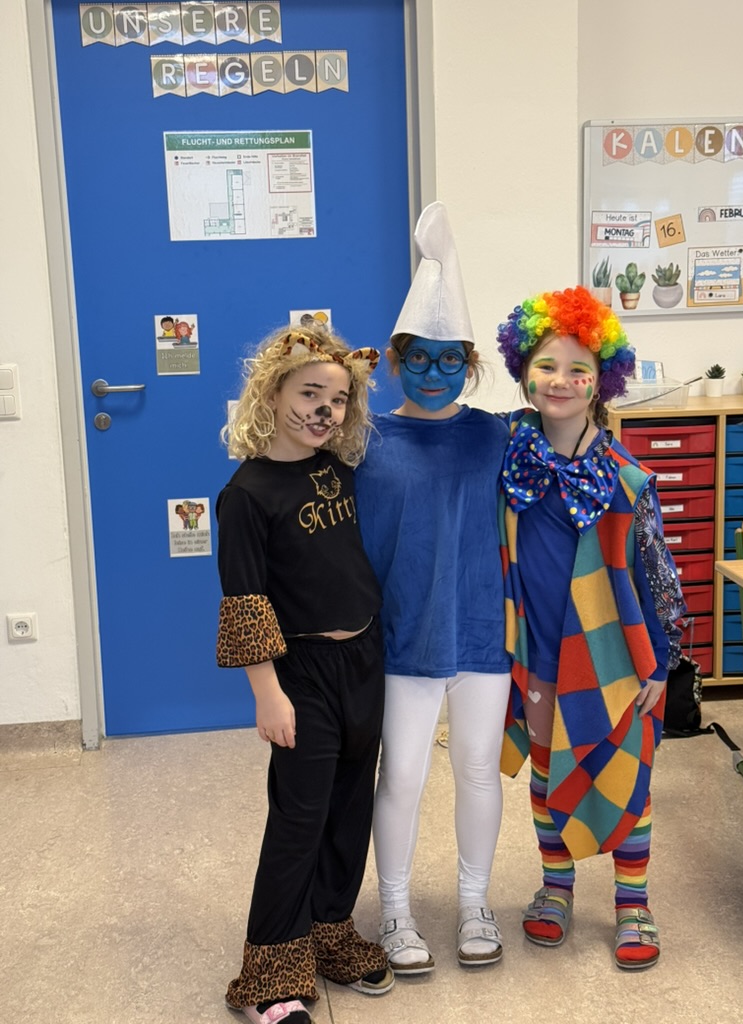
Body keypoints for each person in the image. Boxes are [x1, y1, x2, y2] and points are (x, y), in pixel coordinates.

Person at [495, 285, 685, 970]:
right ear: (522, 370)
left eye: (579, 369)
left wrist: (659, 661)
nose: (561, 380)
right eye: (546, 365)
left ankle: (633, 903)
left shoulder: (627, 478)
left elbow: (658, 575)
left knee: (626, 778)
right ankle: (556, 888)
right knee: (550, 776)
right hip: (538, 655)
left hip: (615, 658)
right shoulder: (505, 455)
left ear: (602, 381)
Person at [215, 324, 394, 1024]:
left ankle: (330, 931)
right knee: (300, 816)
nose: (325, 410)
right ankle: (270, 972)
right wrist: (269, 695)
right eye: (309, 393)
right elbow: (245, 603)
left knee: (351, 806)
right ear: (271, 393)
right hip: (302, 674)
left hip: (364, 662)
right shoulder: (246, 493)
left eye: (339, 399)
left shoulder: (340, 472)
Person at [355, 202, 511, 974]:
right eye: (420, 357)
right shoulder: (365, 441)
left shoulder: (494, 434)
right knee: (405, 774)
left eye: (452, 360)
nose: (436, 371)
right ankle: (394, 911)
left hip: (481, 631)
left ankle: (476, 902)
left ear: (470, 365)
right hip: (403, 634)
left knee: (478, 767)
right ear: (397, 360)